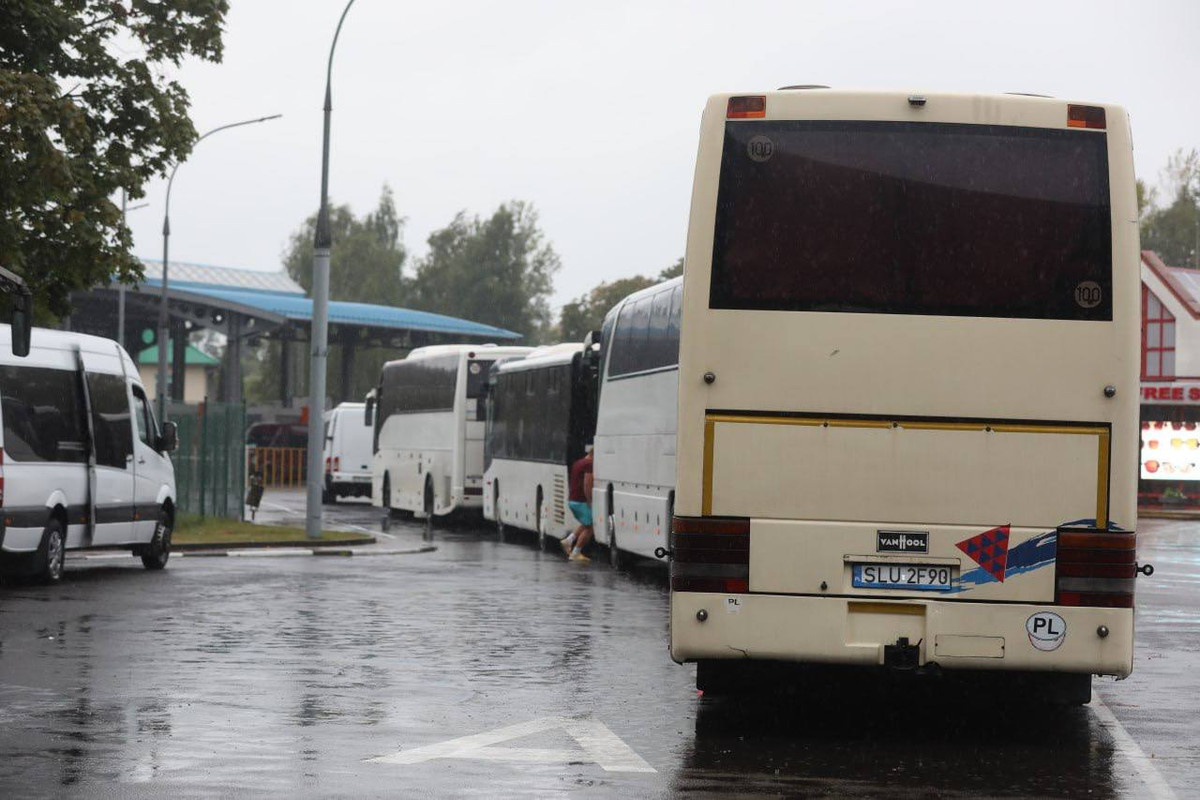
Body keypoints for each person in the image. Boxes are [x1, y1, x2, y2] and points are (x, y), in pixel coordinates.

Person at [561, 446, 594, 562]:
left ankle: (568, 541)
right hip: (580, 501)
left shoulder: (578, 463)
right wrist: (590, 501)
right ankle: (576, 552)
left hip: (573, 500)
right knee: (590, 527)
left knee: (586, 523)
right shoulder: (589, 464)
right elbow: (587, 484)